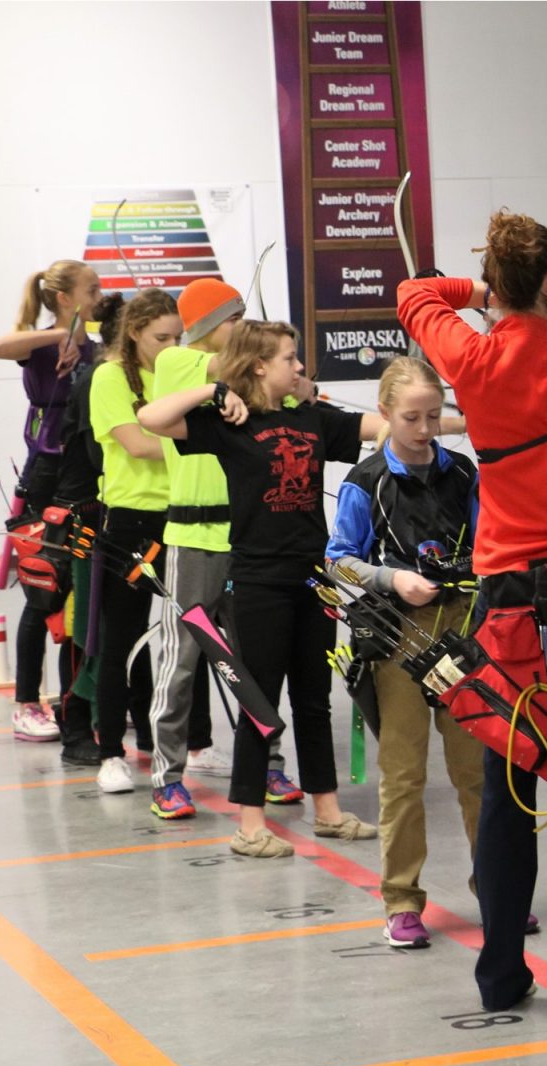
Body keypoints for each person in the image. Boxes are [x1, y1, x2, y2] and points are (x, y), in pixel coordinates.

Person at [397, 209, 547, 1013]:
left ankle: (502, 974)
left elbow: (413, 293)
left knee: (511, 784)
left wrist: (489, 295)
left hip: (512, 604)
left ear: (499, 285)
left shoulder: (470, 354)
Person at [138, 320, 415, 856]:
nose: (299, 366)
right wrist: (213, 390)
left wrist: (449, 420)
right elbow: (151, 418)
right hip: (259, 581)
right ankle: (249, 825)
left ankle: (328, 812)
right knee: (259, 702)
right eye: (289, 357)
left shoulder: (313, 420)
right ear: (260, 365)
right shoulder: (227, 424)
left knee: (313, 698)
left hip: (313, 576)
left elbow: (388, 426)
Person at [325, 356, 486, 946]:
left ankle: (494, 889)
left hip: (462, 633)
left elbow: (488, 543)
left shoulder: (464, 473)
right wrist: (393, 581)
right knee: (403, 775)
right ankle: (401, 901)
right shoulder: (364, 482)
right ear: (385, 415)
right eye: (410, 417)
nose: (423, 429)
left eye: (433, 416)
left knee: (477, 772)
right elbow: (338, 558)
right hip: (397, 635)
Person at [145, 280, 297, 811]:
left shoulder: (243, 378)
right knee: (181, 660)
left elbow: (294, 394)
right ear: (213, 324)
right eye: (235, 320)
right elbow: (219, 371)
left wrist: (290, 375)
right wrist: (244, 371)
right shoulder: (176, 364)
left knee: (256, 662)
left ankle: (269, 766)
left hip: (247, 540)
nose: (242, 330)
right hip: (192, 543)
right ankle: (167, 777)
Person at [0, 259, 102, 746]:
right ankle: (25, 703)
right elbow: (0, 345)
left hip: (88, 474)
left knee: (82, 591)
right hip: (46, 474)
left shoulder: (97, 347)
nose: (99, 296)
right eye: (91, 289)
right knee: (42, 591)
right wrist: (56, 338)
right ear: (63, 298)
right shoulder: (37, 346)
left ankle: (75, 699)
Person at [85, 288, 178, 795]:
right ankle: (109, 754)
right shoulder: (108, 377)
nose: (170, 346)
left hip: (182, 519)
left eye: (179, 337)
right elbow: (138, 444)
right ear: (135, 332)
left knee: (185, 638)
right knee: (121, 639)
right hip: (131, 524)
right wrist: (193, 437)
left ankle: (168, 741)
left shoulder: (179, 376)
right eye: (161, 337)